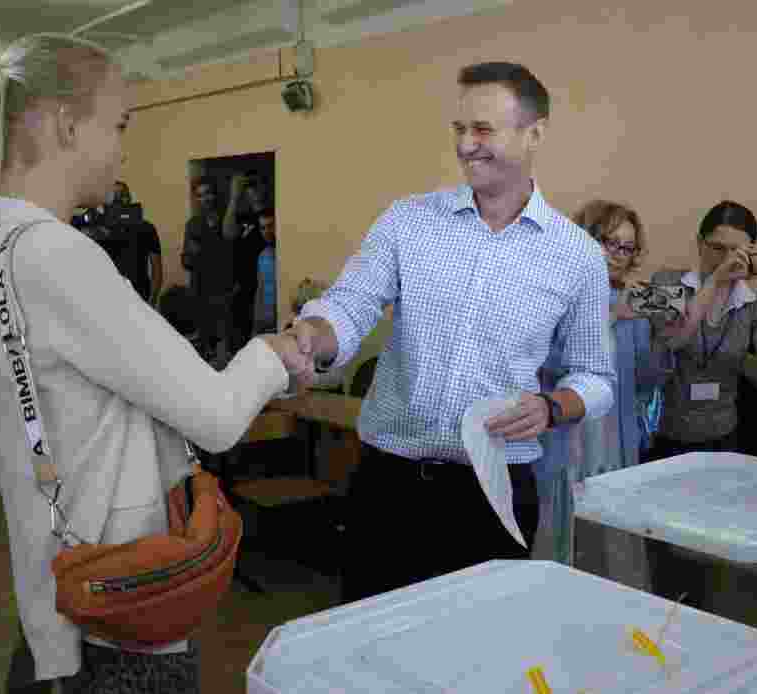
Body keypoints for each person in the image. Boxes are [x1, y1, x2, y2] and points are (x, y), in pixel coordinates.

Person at [0, 33, 312, 693]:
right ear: (65, 125)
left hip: (50, 609)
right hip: (125, 615)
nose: (121, 148)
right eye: (117, 125)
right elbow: (216, 418)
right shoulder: (61, 256)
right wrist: (277, 353)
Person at [287, 62, 615, 603]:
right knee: (371, 644)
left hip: (494, 492)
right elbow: (352, 303)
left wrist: (553, 407)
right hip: (388, 485)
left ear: (535, 133)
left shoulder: (576, 255)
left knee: (476, 656)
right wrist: (316, 334)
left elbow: (597, 376)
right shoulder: (408, 220)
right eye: (459, 129)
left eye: (483, 130)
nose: (466, 145)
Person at [532, 200, 663, 564]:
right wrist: (609, 316)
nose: (618, 255)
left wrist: (662, 337)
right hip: (568, 438)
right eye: (610, 242)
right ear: (586, 239)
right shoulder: (557, 291)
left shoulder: (632, 299)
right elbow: (550, 362)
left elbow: (644, 379)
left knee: (613, 544)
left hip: (614, 437)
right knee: (562, 535)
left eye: (628, 247)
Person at [647, 201, 757, 458]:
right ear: (700, 243)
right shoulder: (666, 283)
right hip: (665, 436)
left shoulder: (754, 304)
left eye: (735, 250)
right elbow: (674, 338)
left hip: (724, 438)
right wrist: (715, 281)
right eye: (717, 248)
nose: (726, 258)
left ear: (751, 251)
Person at [182, 177, 237, 360]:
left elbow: (234, 252)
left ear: (214, 195)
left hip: (225, 290)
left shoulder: (227, 218)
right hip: (201, 291)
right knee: (206, 346)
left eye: (207, 193)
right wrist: (190, 255)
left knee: (227, 344)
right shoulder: (192, 224)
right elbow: (186, 262)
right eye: (199, 195)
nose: (204, 198)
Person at [225, 172, 270, 346]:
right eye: (248, 186)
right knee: (239, 342)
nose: (253, 190)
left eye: (256, 185)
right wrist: (234, 196)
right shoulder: (242, 215)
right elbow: (228, 233)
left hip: (262, 289)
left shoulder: (271, 215)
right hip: (241, 291)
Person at [102, 181, 163, 305]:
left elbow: (157, 269)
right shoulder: (100, 230)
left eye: (121, 195)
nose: (117, 199)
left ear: (129, 198)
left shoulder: (146, 228)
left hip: (140, 296)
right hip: (108, 297)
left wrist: (152, 301)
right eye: (113, 196)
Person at [252, 207, 277, 335]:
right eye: (263, 228)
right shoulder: (262, 256)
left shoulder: (285, 254)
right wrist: (256, 325)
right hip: (264, 324)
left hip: (280, 323)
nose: (266, 231)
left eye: (270, 226)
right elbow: (260, 289)